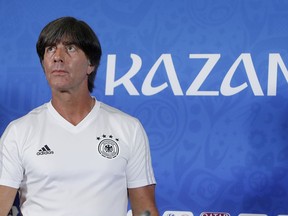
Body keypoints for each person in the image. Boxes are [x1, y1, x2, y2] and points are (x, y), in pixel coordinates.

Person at [0, 16, 159, 216]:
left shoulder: (128, 128)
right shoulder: (19, 132)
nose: (57, 57)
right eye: (50, 49)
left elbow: (145, 209)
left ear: (90, 64)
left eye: (70, 48)